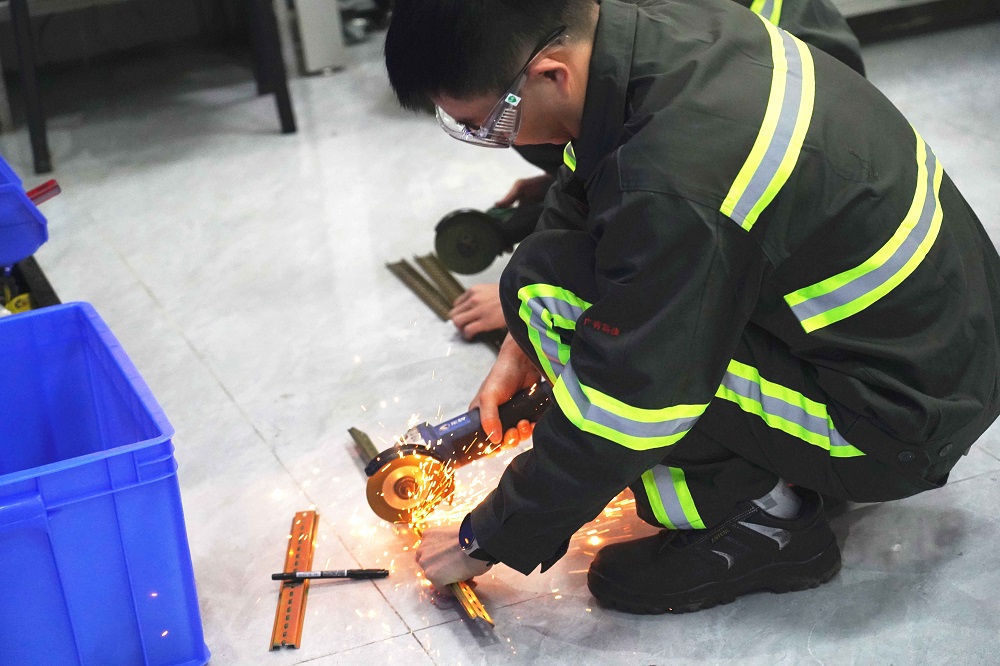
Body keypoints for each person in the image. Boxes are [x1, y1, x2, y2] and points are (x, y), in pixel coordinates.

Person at [384, 0, 1000, 613]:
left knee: (559, 302)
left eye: (490, 124)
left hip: (895, 426)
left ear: (552, 74)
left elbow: (632, 398)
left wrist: (489, 535)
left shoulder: (675, 174)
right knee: (548, 282)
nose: (495, 143)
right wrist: (520, 347)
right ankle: (764, 466)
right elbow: (585, 184)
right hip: (945, 359)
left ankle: (757, 523)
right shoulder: (661, 34)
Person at [449, 0, 866, 342]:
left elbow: (668, 280)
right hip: (746, 129)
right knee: (546, 112)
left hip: (794, 161)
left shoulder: (685, 143)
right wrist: (560, 190)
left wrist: (547, 302)